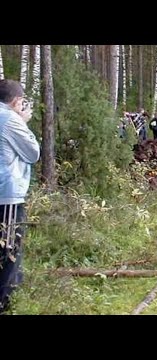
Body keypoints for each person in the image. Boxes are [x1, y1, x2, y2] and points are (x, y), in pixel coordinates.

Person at [0, 79, 40, 314]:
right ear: (16, 101)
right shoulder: (10, 119)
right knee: (9, 251)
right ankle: (5, 303)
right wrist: (24, 122)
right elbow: (33, 152)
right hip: (7, 196)